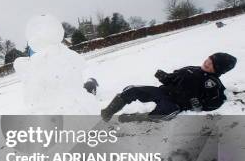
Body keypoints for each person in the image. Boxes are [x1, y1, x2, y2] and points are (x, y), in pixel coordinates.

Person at [101, 53, 237, 122]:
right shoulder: (191, 69)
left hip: (176, 103)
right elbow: (172, 78)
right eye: (209, 59)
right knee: (132, 89)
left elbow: (216, 101)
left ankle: (133, 118)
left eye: (212, 64)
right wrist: (164, 77)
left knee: (164, 113)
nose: (207, 63)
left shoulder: (213, 83)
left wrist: (200, 105)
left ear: (219, 69)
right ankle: (107, 113)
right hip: (163, 92)